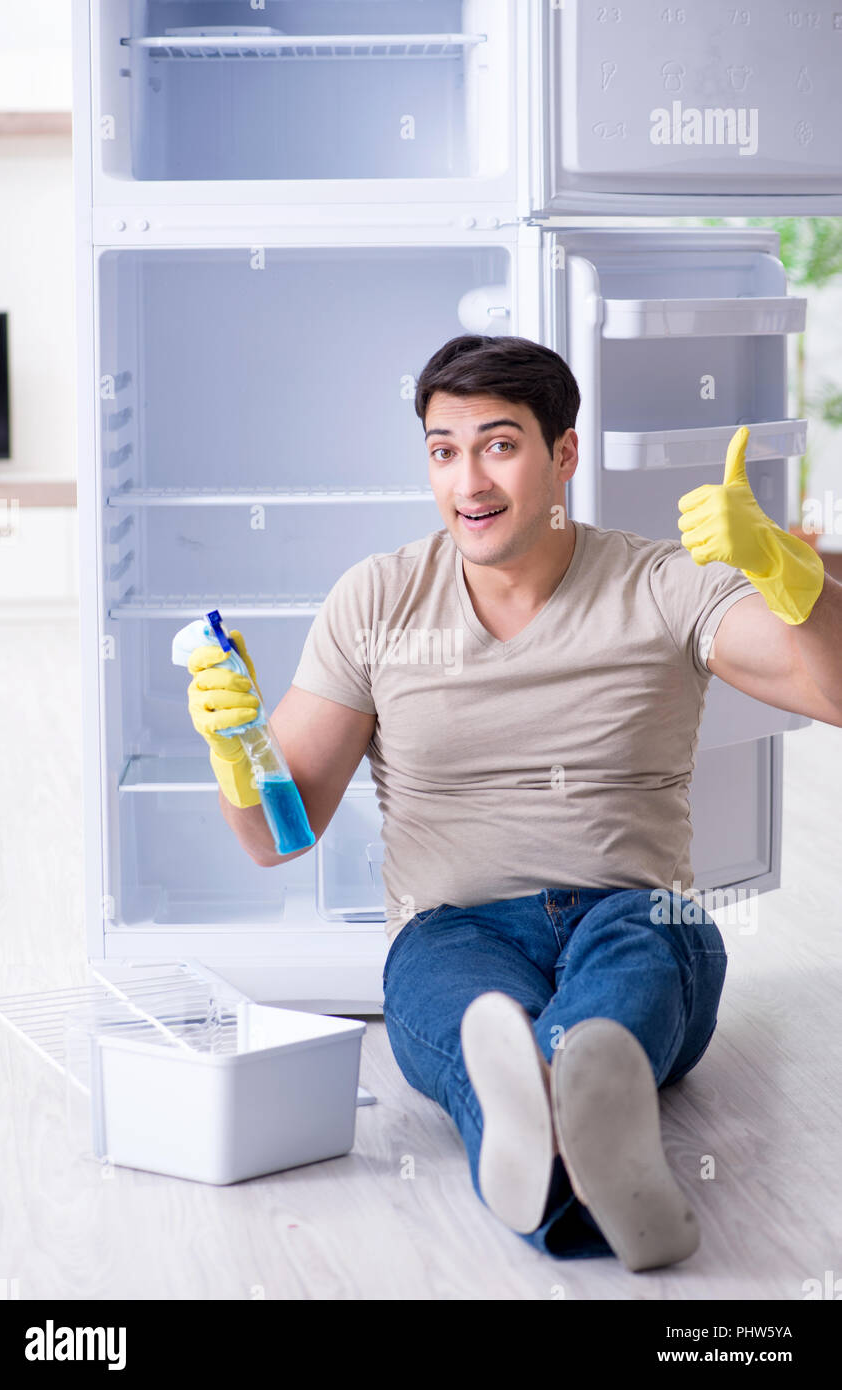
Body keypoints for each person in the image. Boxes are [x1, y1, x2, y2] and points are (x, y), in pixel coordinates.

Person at [184, 335, 840, 1271]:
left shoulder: (661, 584)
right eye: (443, 450)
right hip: (453, 928)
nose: (469, 481)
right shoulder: (375, 600)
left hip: (633, 909)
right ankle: (584, 1136)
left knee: (637, 951)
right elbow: (275, 840)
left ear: (562, 454)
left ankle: (557, 1098)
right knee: (469, 1004)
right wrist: (234, 750)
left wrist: (788, 576)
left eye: (499, 444)